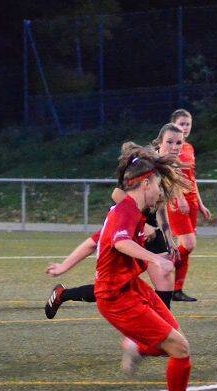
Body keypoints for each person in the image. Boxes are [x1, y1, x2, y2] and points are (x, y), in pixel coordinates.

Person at [95, 142, 203, 391]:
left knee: (175, 338)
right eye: (156, 184)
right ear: (145, 184)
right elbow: (120, 242)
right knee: (180, 347)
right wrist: (155, 259)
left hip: (132, 288)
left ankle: (135, 347)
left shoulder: (134, 211)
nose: (159, 191)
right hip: (116, 297)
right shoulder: (126, 211)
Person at [44, 125, 184, 319]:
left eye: (179, 142)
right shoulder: (141, 167)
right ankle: (63, 294)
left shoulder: (164, 170)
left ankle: (164, 326)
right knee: (113, 287)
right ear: (159, 142)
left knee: (164, 274)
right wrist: (142, 225)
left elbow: (161, 209)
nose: (175, 146)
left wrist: (169, 240)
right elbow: (117, 193)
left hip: (147, 228)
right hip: (131, 227)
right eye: (170, 142)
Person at [167, 109, 212, 302]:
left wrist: (200, 203)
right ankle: (161, 264)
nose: (185, 127)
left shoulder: (189, 148)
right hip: (178, 202)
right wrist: (180, 198)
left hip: (191, 201)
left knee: (186, 247)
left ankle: (176, 289)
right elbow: (170, 175)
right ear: (173, 125)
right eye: (181, 124)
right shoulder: (169, 148)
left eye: (188, 124)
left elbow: (192, 178)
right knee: (189, 244)